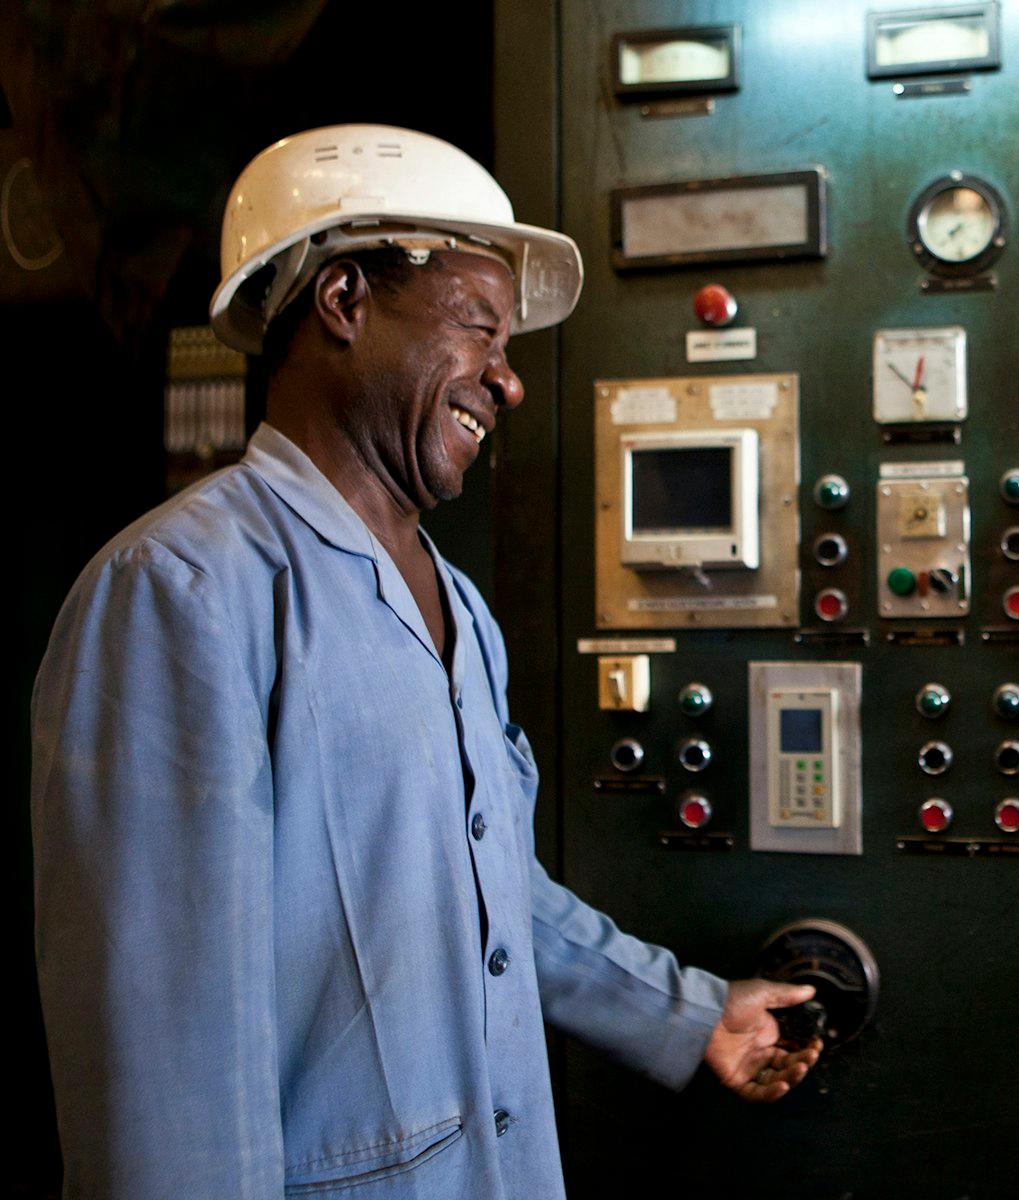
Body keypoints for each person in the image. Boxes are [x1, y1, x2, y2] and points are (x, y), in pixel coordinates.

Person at [30, 124, 819, 1198]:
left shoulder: (459, 607)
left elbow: (488, 890)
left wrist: (685, 1012)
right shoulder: (183, 593)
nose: (508, 382)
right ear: (346, 301)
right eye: (478, 332)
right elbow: (164, 1056)